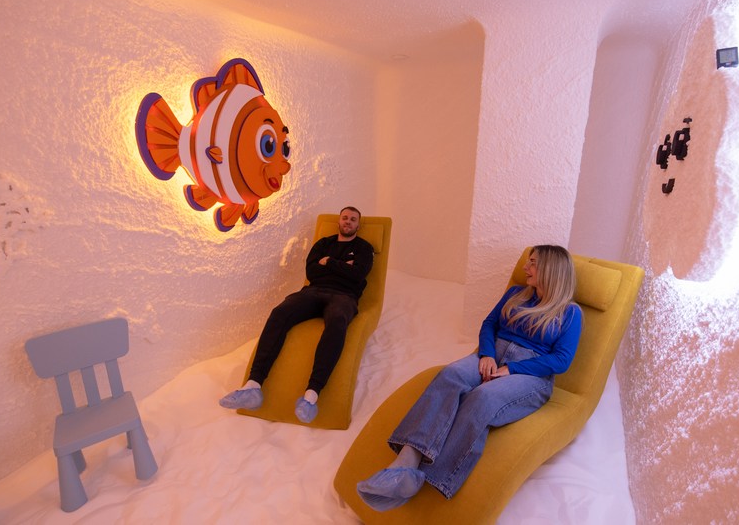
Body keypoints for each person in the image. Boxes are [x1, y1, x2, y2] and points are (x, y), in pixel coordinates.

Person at [356, 245, 582, 511]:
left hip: (532, 373)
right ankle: (404, 464)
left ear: (550, 269)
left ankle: (433, 479)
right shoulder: (515, 294)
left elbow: (561, 360)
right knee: (451, 375)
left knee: (482, 397)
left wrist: (513, 369)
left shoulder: (570, 313)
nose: (525, 267)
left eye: (532, 263)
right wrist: (486, 354)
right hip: (492, 355)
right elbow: (489, 324)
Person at [219, 206, 374, 424]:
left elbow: (358, 275)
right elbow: (311, 272)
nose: (348, 221)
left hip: (344, 296)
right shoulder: (323, 244)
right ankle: (253, 386)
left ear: (358, 224)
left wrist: (329, 262)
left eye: (353, 219)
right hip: (313, 291)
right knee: (279, 313)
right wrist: (343, 267)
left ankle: (311, 395)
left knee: (337, 321)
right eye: (345, 218)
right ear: (339, 221)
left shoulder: (363, 248)